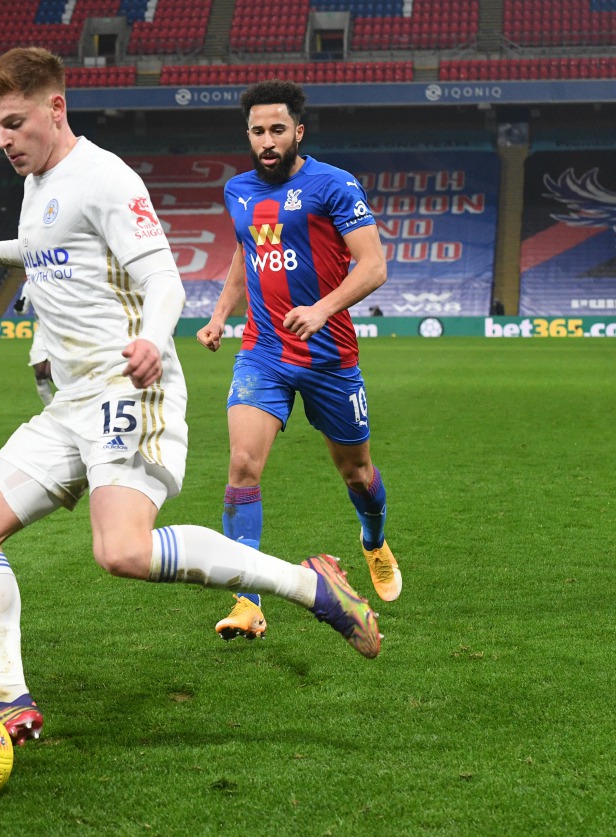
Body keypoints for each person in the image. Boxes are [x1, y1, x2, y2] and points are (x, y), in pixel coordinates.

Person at [0, 49, 381, 747]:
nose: (3, 139)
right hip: (69, 401)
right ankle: (9, 698)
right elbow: (47, 243)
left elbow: (163, 277)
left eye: (14, 123)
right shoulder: (41, 178)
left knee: (123, 551)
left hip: (127, 387)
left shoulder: (105, 177)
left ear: (56, 109)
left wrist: (151, 338)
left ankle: (310, 586)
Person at [196, 79, 401, 644]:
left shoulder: (334, 185)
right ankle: (247, 600)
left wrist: (322, 308)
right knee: (242, 465)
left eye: (277, 130)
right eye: (258, 131)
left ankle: (372, 537)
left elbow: (373, 266)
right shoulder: (238, 190)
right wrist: (219, 315)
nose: (267, 140)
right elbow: (246, 252)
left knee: (356, 471)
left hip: (329, 354)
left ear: (298, 132)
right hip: (263, 351)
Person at [13, 281, 53, 406]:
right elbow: (22, 311)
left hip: (62, 327)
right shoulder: (29, 283)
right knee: (40, 371)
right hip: (42, 329)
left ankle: (79, 401)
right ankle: (51, 408)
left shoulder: (61, 277)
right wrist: (18, 308)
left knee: (51, 373)